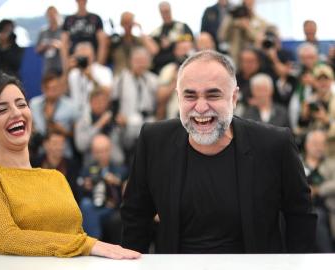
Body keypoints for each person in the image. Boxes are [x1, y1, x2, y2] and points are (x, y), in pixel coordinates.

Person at [121, 50, 316, 254]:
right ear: (178, 98)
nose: (201, 107)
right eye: (190, 95)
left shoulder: (275, 144)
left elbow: (300, 216)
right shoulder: (154, 140)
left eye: (213, 94)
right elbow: (136, 215)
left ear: (234, 97)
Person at [0, 72, 140, 259]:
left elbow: (76, 238)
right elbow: (5, 238)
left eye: (21, 104)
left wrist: (85, 245)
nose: (16, 113)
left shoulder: (56, 177)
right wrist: (88, 244)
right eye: (1, 110)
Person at [36, 6, 64, 76]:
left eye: (53, 14)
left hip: (61, 66)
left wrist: (57, 45)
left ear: (57, 14)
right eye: (49, 15)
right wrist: (45, 46)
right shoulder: (43, 32)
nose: (51, 17)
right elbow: (37, 50)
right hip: (48, 67)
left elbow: (68, 46)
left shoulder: (63, 30)